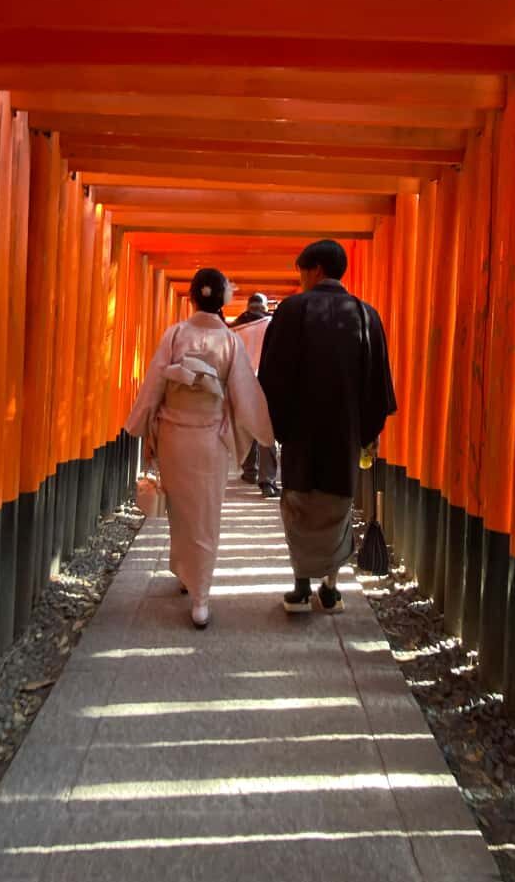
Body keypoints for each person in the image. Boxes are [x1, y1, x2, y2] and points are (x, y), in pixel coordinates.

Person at [125, 268, 274, 629]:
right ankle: (200, 597)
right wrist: (264, 430)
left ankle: (187, 577)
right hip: (209, 439)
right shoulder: (229, 341)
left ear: (192, 297)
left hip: (175, 436)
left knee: (182, 510)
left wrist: (144, 427)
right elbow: (243, 394)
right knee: (206, 514)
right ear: (221, 299)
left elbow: (154, 384)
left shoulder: (175, 334)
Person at [258, 239, 396, 615]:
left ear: (314, 269)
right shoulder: (366, 315)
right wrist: (365, 433)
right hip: (344, 433)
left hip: (302, 433)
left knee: (299, 504)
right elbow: (378, 383)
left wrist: (279, 427)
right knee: (337, 506)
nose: (301, 279)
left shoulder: (291, 311)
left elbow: (272, 377)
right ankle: (331, 589)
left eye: (301, 271)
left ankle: (301, 588)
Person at [232, 293, 280, 498]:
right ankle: (267, 480)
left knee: (247, 426)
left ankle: (250, 471)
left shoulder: (235, 328)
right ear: (264, 307)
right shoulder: (273, 325)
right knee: (266, 429)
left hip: (243, 381)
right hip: (268, 381)